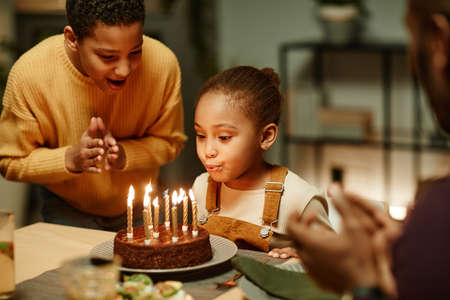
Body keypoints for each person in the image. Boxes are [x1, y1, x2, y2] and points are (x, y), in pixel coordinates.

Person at [287, 0, 450, 298]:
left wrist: (359, 279)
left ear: (439, 42)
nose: (413, 63)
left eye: (412, 39)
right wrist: (408, 242)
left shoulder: (440, 213)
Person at [0, 0, 186, 231]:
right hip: (66, 209)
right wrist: (70, 159)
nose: (124, 69)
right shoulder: (29, 75)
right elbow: (10, 161)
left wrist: (124, 155)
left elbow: (172, 141)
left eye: (135, 51)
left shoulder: (162, 64)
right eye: (108, 57)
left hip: (140, 207)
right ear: (72, 38)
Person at [191, 66, 331, 258]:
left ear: (265, 136)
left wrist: (303, 256)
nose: (208, 151)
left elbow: (335, 262)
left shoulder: (299, 199)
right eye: (201, 135)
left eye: (223, 137)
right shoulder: (201, 187)